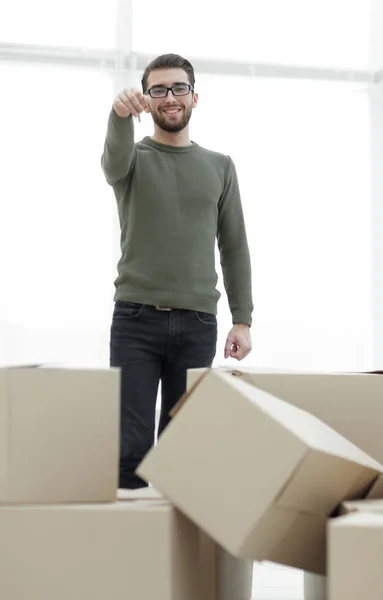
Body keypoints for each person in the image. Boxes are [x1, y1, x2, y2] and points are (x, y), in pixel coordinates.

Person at [101, 53, 253, 489]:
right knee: (129, 453)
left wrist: (242, 319)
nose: (170, 97)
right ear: (146, 101)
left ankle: (175, 554)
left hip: (198, 322)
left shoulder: (220, 166)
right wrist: (118, 114)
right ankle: (133, 553)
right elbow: (111, 162)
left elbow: (235, 245)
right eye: (159, 90)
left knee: (180, 453)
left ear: (194, 97)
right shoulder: (133, 160)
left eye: (178, 88)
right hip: (135, 320)